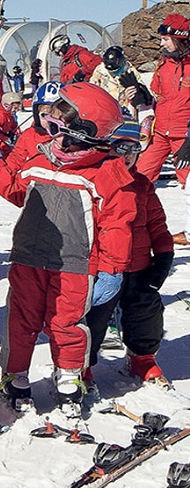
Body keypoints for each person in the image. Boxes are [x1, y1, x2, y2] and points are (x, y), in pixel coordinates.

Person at [0, 82, 134, 416]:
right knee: (20, 319)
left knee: (66, 323)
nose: (48, 134)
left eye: (55, 127)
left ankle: (69, 376)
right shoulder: (41, 158)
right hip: (28, 258)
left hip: (74, 265)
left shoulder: (105, 173)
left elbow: (117, 223)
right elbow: (15, 190)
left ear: (82, 133)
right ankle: (16, 375)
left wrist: (112, 269)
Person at [83, 120, 173, 391]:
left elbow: (157, 224)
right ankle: (81, 365)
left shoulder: (142, 185)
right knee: (94, 318)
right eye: (120, 147)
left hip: (139, 266)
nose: (127, 155)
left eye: (134, 149)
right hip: (103, 267)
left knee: (146, 312)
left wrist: (164, 256)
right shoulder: (93, 181)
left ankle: (141, 357)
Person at [136, 14, 190, 246]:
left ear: (179, 38)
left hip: (184, 136)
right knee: (138, 176)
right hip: (160, 132)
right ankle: (135, 226)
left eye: (165, 39)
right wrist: (140, 96)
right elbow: (155, 99)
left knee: (189, 185)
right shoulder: (163, 65)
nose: (161, 44)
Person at [89, 45, 152, 117]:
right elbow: (92, 88)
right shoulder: (100, 71)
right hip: (106, 106)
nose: (113, 72)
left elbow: (141, 90)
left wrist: (129, 97)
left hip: (125, 108)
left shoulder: (129, 71)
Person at [0, 91, 22, 160]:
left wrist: (16, 132)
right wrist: (3, 137)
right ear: (7, 106)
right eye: (15, 108)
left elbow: (13, 125)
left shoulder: (9, 116)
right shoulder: (1, 115)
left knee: (11, 152)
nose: (16, 110)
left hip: (5, 139)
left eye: (17, 108)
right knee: (6, 154)